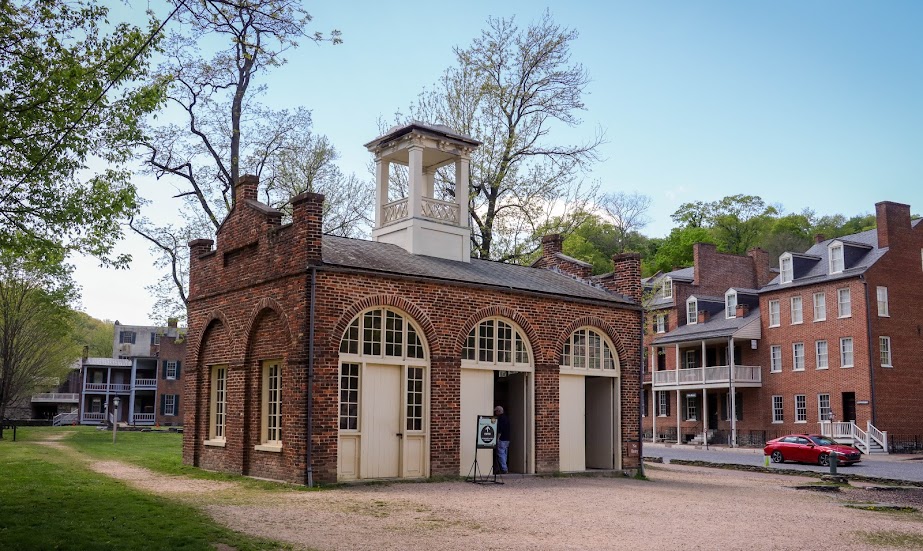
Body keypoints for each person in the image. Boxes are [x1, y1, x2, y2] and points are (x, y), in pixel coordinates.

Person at [494, 405, 511, 474]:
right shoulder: (506, 418)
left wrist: (497, 438)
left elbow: (500, 429)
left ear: (498, 411)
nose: (495, 413)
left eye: (495, 411)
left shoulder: (500, 419)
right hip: (507, 438)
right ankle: (503, 467)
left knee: (500, 453)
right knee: (504, 453)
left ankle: (504, 468)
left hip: (502, 439)